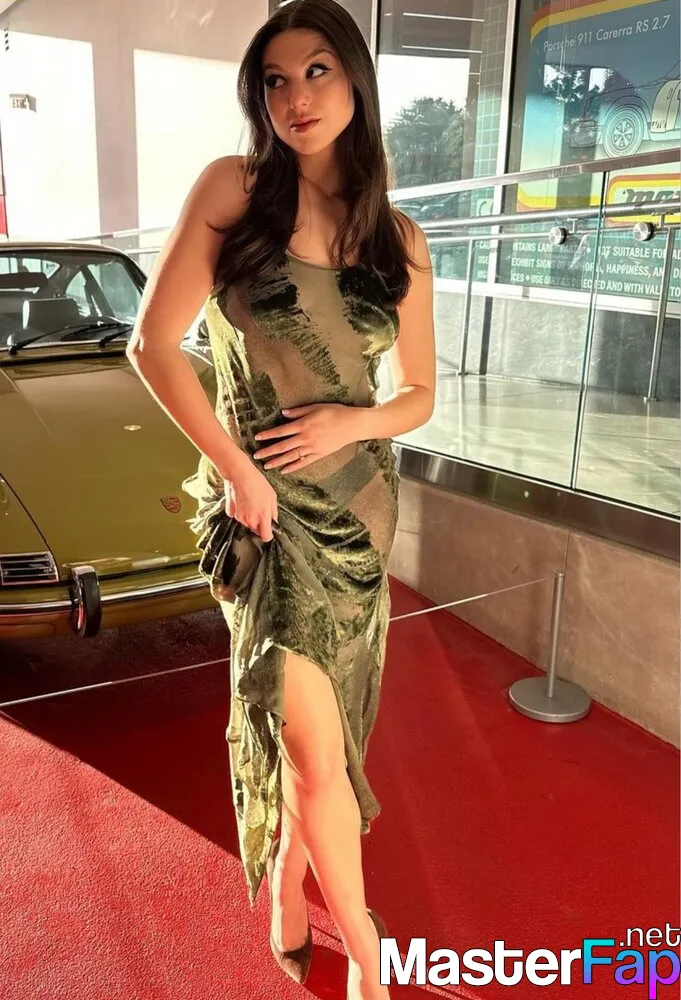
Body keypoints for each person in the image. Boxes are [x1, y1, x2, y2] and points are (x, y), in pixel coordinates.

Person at [126, 1, 435, 997]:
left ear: (356, 82)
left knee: (325, 743)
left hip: (360, 516)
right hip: (263, 515)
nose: (296, 96)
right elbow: (151, 346)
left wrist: (353, 422)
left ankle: (291, 887)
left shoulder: (398, 237)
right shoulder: (236, 189)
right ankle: (372, 962)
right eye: (274, 79)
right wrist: (237, 469)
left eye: (317, 71)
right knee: (309, 746)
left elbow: (420, 395)